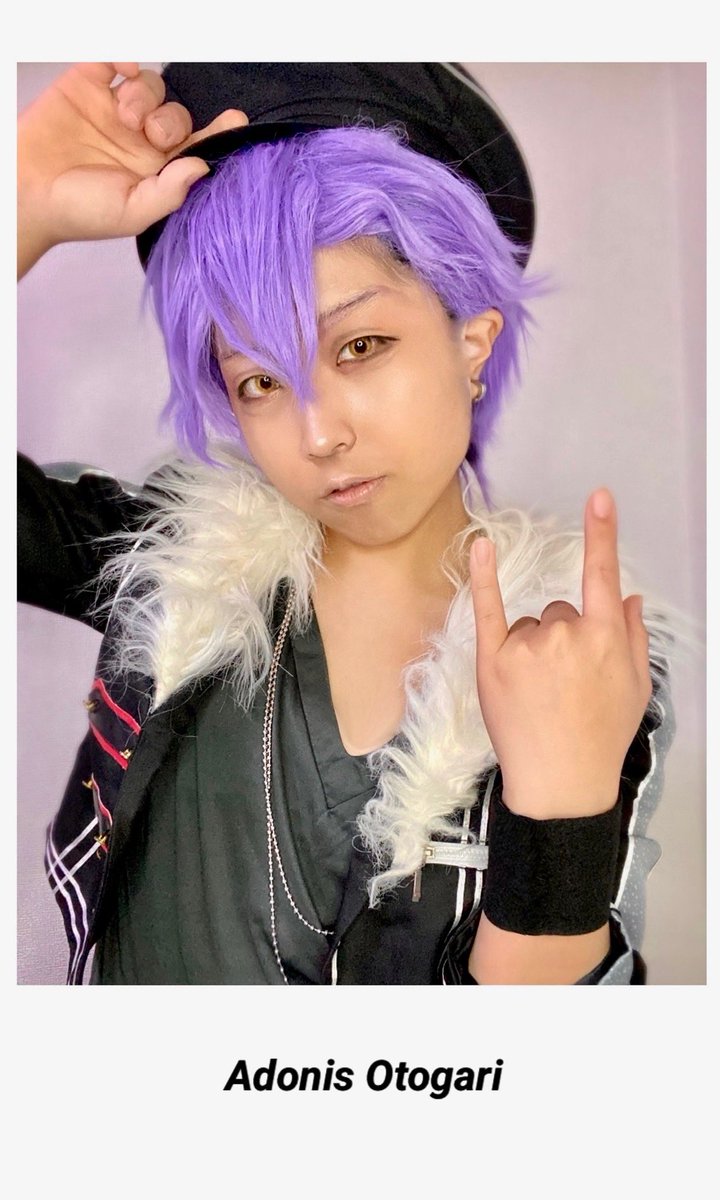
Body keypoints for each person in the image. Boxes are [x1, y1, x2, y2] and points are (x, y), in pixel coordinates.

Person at [18, 62, 682, 986]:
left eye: (361, 345)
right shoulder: (168, 565)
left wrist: (560, 817)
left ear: (472, 342)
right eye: (260, 381)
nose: (319, 433)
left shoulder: (578, 666)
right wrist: (21, 204)